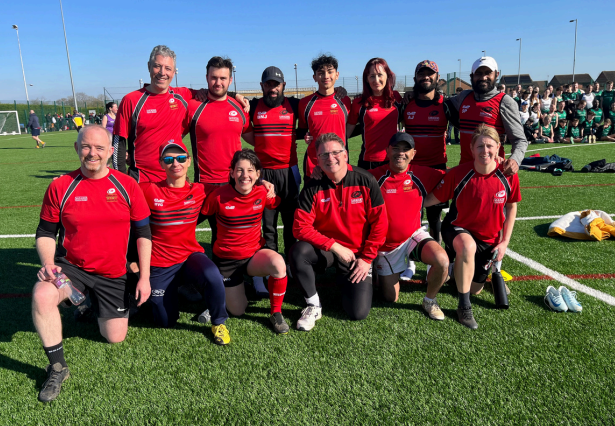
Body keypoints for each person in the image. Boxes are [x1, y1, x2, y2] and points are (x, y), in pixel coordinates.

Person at [32, 125, 152, 402]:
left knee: (114, 337)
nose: (92, 153)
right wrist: (48, 263)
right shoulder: (61, 186)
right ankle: (57, 367)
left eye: (99, 148)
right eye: (86, 147)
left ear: (110, 152)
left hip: (114, 273)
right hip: (72, 269)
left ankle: (89, 303)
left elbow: (144, 234)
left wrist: (144, 277)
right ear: (76, 149)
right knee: (43, 293)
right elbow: (46, 233)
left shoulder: (127, 185)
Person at [424, 124, 521, 329]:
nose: (484, 151)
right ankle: (464, 306)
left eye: (489, 146)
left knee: (475, 287)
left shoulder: (508, 174)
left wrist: (504, 243)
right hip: (458, 228)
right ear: (471, 149)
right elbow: (431, 199)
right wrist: (403, 200)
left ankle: (453, 267)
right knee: (467, 248)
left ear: (498, 147)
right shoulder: (459, 174)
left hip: (489, 238)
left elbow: (512, 208)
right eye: (480, 146)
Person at [290, 133, 388, 330]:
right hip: (329, 251)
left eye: (335, 152)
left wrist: (367, 258)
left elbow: (380, 224)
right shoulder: (312, 187)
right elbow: (300, 227)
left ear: (345, 154)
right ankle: (313, 304)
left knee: (357, 313)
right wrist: (334, 246)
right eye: (324, 155)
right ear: (317, 159)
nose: (330, 158)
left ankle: (355, 276)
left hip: (357, 254)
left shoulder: (365, 180)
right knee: (298, 252)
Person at [140, 140, 230, 343]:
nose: (175, 163)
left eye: (181, 158)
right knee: (165, 321)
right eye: (169, 159)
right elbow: (117, 190)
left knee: (213, 275)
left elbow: (236, 186)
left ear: (189, 161)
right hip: (160, 262)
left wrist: (263, 184)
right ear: (161, 163)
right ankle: (167, 290)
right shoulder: (148, 190)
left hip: (190, 256)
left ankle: (218, 322)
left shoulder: (200, 190)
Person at [201, 149, 290, 334]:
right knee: (238, 310)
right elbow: (198, 215)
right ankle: (230, 289)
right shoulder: (218, 196)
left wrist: (269, 188)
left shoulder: (262, 192)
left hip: (253, 256)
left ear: (258, 174)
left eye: (250, 170)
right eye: (239, 170)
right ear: (232, 173)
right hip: (227, 262)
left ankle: (276, 312)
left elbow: (276, 203)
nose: (244, 175)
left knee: (278, 264)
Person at [369, 133, 449, 319]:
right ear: (388, 151)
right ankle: (385, 273)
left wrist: (498, 164)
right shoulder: (374, 177)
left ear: (413, 153)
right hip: (387, 247)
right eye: (396, 148)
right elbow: (346, 175)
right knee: (390, 297)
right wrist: (319, 170)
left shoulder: (421, 173)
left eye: (406, 149)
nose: (400, 153)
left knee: (442, 261)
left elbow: (454, 177)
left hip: (413, 236)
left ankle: (430, 300)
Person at [240, 66, 301, 257]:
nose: (272, 88)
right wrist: (236, 94)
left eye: (276, 84)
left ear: (283, 85)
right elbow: (230, 103)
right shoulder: (255, 105)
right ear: (262, 86)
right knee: (268, 222)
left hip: (289, 171)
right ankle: (271, 259)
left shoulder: (295, 104)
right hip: (264, 173)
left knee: (291, 220)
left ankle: (291, 261)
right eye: (268, 84)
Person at [445, 57, 528, 174]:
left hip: (492, 173)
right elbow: (440, 102)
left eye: (488, 73)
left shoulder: (505, 101)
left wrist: (515, 160)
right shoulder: (463, 96)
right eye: (478, 73)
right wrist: (413, 95)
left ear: (496, 74)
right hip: (464, 172)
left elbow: (519, 140)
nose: (483, 77)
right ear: (472, 76)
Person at [403, 60, 450, 247]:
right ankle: (411, 259)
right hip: (412, 168)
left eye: (430, 73)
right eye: (421, 74)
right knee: (411, 215)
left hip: (437, 168)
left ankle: (435, 257)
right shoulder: (406, 104)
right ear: (415, 78)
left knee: (434, 218)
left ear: (438, 78)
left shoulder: (446, 105)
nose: (426, 77)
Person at [298, 54, 352, 179]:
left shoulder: (345, 101)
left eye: (330, 72)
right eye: (321, 73)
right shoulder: (305, 104)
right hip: (314, 168)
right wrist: (305, 136)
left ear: (337, 75)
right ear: (314, 77)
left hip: (340, 165)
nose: (326, 76)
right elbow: (303, 130)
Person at [347, 57, 402, 170]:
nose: (376, 80)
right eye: (372, 76)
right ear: (366, 79)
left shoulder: (396, 98)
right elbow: (345, 133)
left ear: (387, 76)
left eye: (380, 75)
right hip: (368, 161)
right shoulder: (359, 102)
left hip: (394, 159)